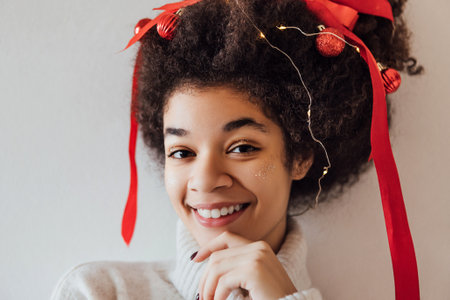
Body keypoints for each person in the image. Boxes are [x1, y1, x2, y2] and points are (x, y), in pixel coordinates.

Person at [51, 0, 422, 299]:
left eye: (242, 147)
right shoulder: (97, 292)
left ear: (301, 155)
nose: (206, 181)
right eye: (182, 152)